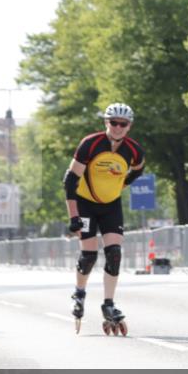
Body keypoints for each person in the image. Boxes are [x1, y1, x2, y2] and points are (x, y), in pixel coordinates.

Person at [62, 103, 145, 335]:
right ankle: (79, 292)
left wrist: (122, 183)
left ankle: (108, 304)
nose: (118, 127)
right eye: (113, 123)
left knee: (114, 253)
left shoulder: (134, 150)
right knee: (89, 255)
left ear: (129, 126)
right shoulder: (91, 144)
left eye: (123, 124)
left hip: (111, 206)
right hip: (86, 203)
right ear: (106, 123)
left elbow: (138, 170)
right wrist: (74, 216)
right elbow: (70, 181)